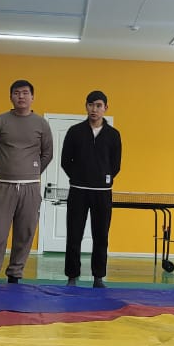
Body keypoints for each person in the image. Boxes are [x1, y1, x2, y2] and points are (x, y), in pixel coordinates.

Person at [0, 80, 53, 284]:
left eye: (25, 93)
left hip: (31, 187)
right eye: (16, 93)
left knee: (25, 232)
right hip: (4, 185)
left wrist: (33, 172)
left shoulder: (41, 124)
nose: (21, 96)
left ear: (32, 97)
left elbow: (47, 153)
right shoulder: (0, 121)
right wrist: (3, 168)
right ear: (11, 97)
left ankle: (15, 273)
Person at [61, 90, 122, 287]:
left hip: (102, 194)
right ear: (86, 106)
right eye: (90, 105)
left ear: (105, 108)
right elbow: (65, 161)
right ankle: (72, 276)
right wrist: (78, 176)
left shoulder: (113, 135)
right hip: (78, 191)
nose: (94, 109)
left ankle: (98, 277)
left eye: (98, 105)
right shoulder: (75, 132)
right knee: (74, 235)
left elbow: (116, 164)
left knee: (101, 236)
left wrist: (103, 179)